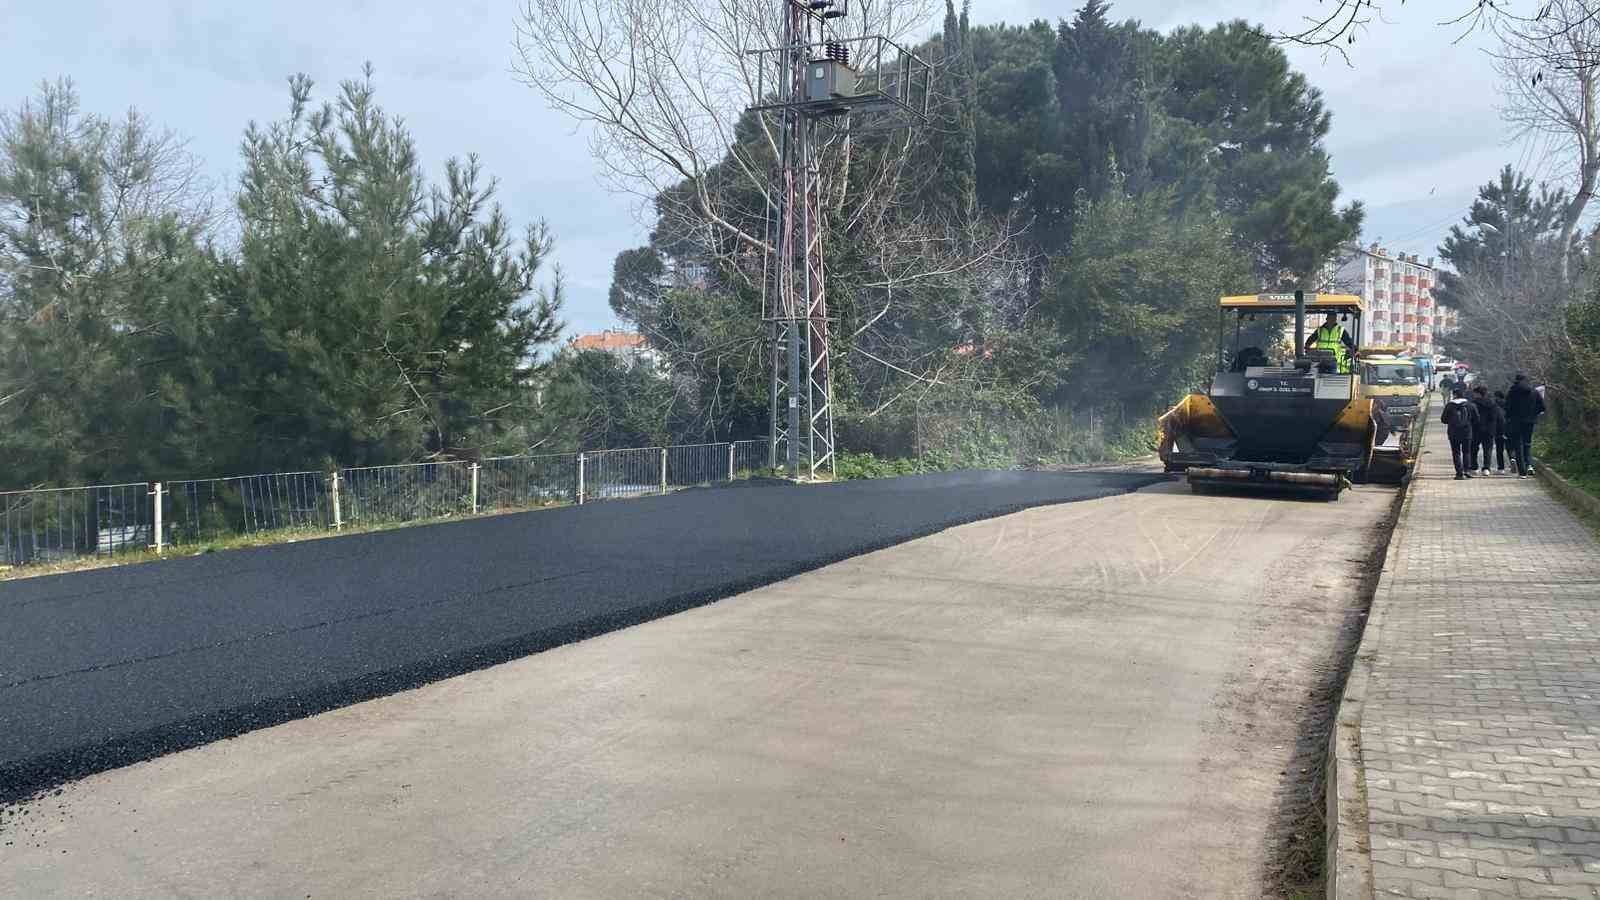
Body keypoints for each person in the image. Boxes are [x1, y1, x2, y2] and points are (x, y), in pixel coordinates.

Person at [1504, 373, 1547, 479]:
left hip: (1516, 422)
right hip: (1530, 422)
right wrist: (1533, 414)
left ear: (1516, 380)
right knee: (1527, 444)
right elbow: (1542, 407)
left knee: (1518, 446)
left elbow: (1507, 407)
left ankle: (1522, 472)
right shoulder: (1534, 391)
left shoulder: (1512, 391)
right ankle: (1530, 466)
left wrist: (1509, 418)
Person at [1441, 385, 1480, 480]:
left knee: (1456, 452)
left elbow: (1443, 420)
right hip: (1467, 432)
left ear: (1454, 395)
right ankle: (1467, 471)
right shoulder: (1470, 405)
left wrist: (1451, 422)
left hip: (1453, 433)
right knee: (1467, 452)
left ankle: (1459, 473)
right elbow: (1476, 419)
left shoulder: (1449, 405)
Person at [1470, 385, 1502, 476]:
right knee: (1487, 449)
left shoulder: (1473, 403)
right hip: (1489, 430)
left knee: (1473, 449)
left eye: (1474, 393)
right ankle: (1486, 468)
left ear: (1477, 394)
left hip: (1475, 429)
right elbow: (1496, 417)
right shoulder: (1492, 403)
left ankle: (1474, 467)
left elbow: (1470, 417)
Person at [1492, 390, 1510, 474]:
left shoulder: (1494, 404)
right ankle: (1513, 459)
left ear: (1496, 396)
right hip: (1509, 428)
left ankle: (1501, 468)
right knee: (1510, 447)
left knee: (1499, 449)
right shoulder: (1508, 403)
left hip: (1498, 429)